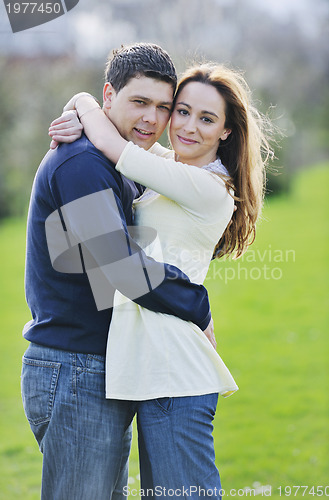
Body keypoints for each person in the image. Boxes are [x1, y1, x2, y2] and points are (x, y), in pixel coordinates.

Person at [49, 62, 273, 498]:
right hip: (155, 371)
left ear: (227, 131)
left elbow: (115, 146)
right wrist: (83, 106)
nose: (187, 127)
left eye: (207, 119)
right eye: (182, 111)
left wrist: (81, 103)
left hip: (175, 374)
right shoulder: (172, 165)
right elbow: (121, 138)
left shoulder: (208, 188)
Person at [21, 43, 217, 500]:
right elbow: (121, 267)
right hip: (74, 369)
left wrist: (81, 104)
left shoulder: (117, 159)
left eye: (163, 107)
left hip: (101, 368)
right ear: (109, 95)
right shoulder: (82, 164)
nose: (152, 118)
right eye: (140, 102)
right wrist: (197, 303)